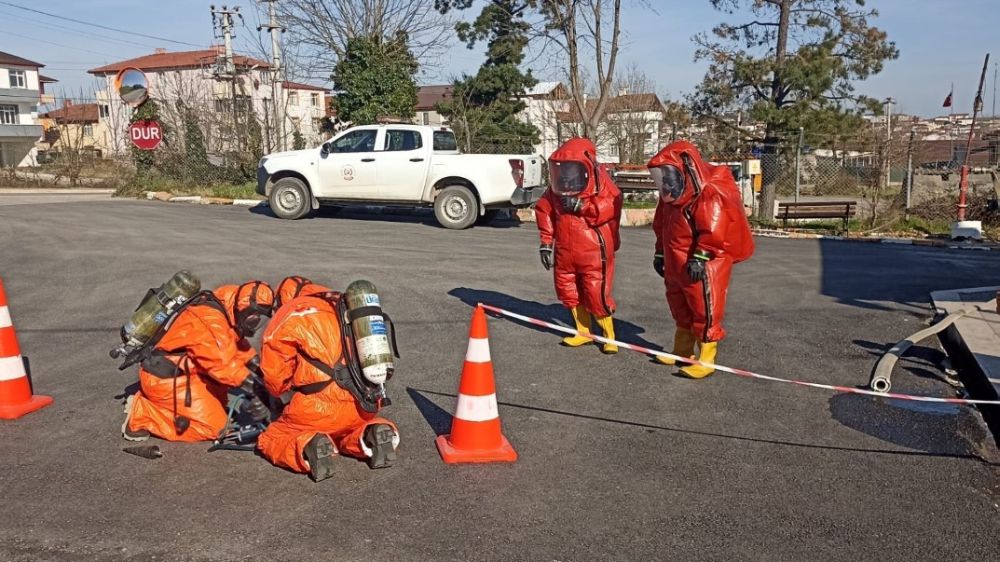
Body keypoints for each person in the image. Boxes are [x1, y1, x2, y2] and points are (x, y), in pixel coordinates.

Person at [256, 287, 398, 482]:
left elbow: (275, 376)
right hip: (365, 403)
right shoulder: (345, 303)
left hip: (316, 411)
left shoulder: (292, 312)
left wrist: (278, 392)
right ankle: (370, 433)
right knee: (345, 432)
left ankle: (308, 445)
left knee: (271, 438)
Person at [648, 141, 754, 378]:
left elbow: (713, 228)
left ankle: (707, 358)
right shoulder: (670, 198)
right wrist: (660, 252)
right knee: (679, 305)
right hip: (676, 262)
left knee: (704, 307)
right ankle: (682, 351)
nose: (664, 179)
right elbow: (662, 227)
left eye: (667, 172)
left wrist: (701, 256)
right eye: (661, 174)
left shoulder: (705, 193)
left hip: (703, 264)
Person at [122, 281, 275, 441]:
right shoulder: (210, 319)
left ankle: (158, 402)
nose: (256, 322)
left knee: (220, 405)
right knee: (215, 427)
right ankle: (142, 413)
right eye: (254, 317)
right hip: (167, 378)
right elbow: (223, 365)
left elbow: (235, 345)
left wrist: (261, 369)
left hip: (188, 371)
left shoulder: (228, 307)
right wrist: (256, 388)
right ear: (243, 308)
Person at [535, 137, 623, 354]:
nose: (566, 172)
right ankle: (583, 332)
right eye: (563, 168)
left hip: (594, 250)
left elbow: (612, 204)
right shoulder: (557, 187)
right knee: (568, 290)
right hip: (565, 250)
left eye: (571, 167)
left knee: (596, 292)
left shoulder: (600, 182)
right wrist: (546, 243)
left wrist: (583, 206)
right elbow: (544, 210)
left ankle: (609, 336)